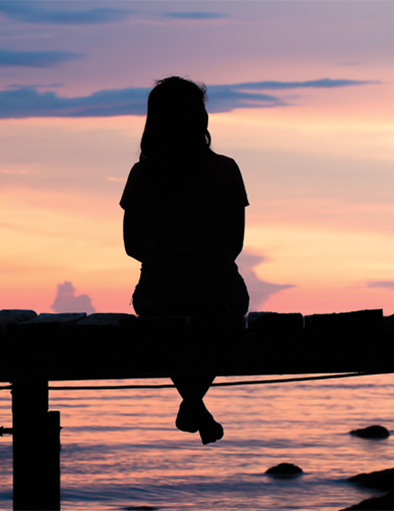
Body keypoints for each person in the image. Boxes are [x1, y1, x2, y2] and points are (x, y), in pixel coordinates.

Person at [120, 76, 249, 445]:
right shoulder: (226, 170)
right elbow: (235, 244)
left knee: (168, 326)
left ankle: (193, 402)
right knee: (218, 318)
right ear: (200, 120)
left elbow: (131, 245)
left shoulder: (140, 175)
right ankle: (194, 402)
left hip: (159, 296)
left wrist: (168, 258)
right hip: (219, 295)